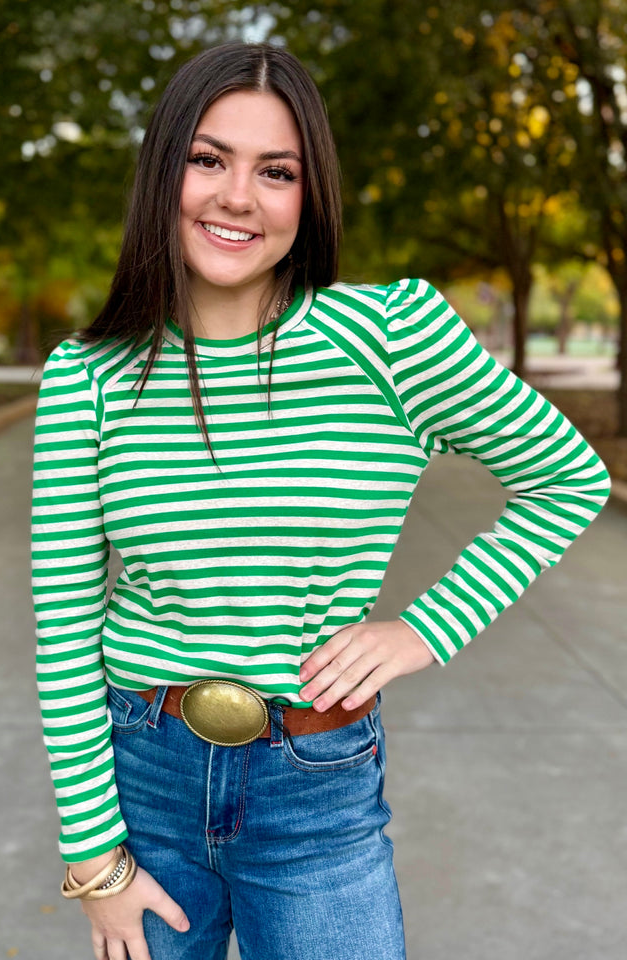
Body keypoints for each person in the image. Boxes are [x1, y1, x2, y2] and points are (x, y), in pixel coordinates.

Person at [31, 41, 611, 960]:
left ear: (310, 195)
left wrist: (423, 631)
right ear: (163, 170)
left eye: (277, 171)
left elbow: (566, 478)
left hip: (317, 789)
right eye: (208, 159)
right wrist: (95, 862)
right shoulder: (87, 375)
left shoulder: (390, 336)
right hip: (143, 785)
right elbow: (65, 622)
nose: (237, 197)